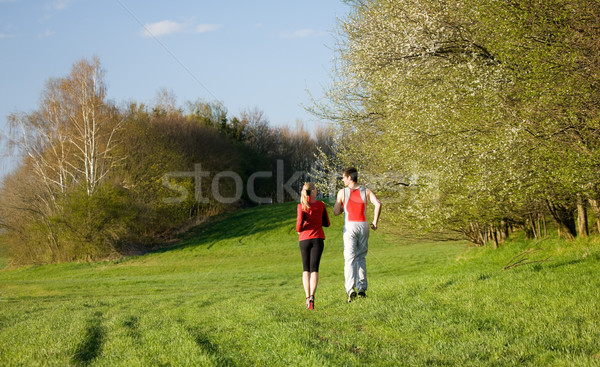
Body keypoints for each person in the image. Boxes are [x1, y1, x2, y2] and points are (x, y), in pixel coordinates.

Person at [333, 167, 381, 302]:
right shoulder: (366, 191)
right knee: (361, 257)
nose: (342, 179)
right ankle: (362, 289)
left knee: (350, 259)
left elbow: (336, 212)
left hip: (350, 226)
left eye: (343, 177)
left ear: (349, 178)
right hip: (363, 225)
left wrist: (343, 207)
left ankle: (350, 289)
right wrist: (375, 222)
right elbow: (378, 204)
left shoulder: (342, 192)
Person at [296, 182, 330, 310]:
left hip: (304, 239)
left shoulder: (301, 206)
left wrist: (300, 230)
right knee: (314, 269)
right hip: (317, 239)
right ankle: (312, 297)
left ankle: (306, 297)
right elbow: (327, 223)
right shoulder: (320, 205)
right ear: (314, 191)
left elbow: (299, 224)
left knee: (306, 269)